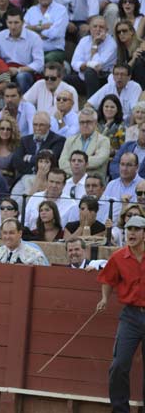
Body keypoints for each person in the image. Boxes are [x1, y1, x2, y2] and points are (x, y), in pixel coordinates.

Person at [96, 215, 145, 413]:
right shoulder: (118, 256)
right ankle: (119, 410)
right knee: (119, 365)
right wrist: (105, 299)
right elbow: (108, 279)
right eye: (128, 229)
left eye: (136, 229)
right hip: (131, 315)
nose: (131, 233)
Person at [0, 7, 44, 93]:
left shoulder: (34, 38)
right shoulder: (0, 36)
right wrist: (4, 70)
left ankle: (22, 103)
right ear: (6, 22)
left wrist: (18, 70)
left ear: (23, 22)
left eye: (16, 23)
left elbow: (39, 64)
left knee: (21, 77)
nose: (13, 27)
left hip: (25, 71)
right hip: (5, 71)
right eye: (10, 23)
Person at [12, 111, 65, 178]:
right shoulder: (24, 140)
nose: (37, 128)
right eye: (35, 125)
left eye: (41, 125)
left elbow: (51, 161)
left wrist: (29, 158)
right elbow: (16, 161)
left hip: (47, 179)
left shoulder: (58, 140)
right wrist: (32, 170)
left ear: (49, 126)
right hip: (24, 176)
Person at [60, 109, 111, 178]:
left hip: (93, 182)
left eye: (88, 122)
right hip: (71, 180)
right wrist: (79, 170)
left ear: (95, 123)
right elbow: (62, 163)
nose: (85, 125)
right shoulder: (70, 140)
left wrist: (73, 164)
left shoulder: (103, 141)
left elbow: (98, 161)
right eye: (82, 122)